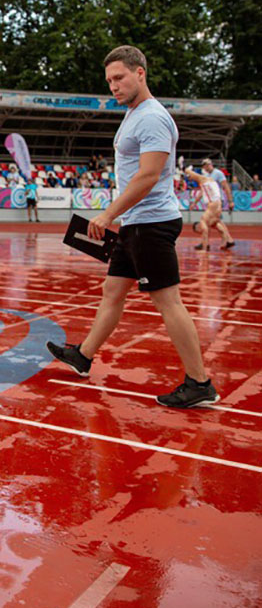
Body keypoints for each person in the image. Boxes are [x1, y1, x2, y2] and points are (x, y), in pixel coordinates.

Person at [46, 45, 219, 409]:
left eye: (120, 77)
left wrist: (107, 215)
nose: (114, 86)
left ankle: (199, 381)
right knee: (113, 291)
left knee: (168, 301)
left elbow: (149, 175)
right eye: (109, 80)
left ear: (141, 72)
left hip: (150, 224)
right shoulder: (134, 114)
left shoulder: (152, 117)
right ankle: (84, 355)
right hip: (136, 223)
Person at [184, 165, 231, 252]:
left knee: (204, 222)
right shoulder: (207, 182)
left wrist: (187, 169)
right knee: (214, 224)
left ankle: (204, 247)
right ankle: (227, 240)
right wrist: (194, 203)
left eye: (189, 178)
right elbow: (201, 194)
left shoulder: (203, 179)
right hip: (218, 205)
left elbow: (188, 170)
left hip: (213, 205)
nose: (190, 179)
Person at [200, 158, 235, 249]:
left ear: (210, 164)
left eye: (207, 165)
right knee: (215, 221)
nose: (206, 167)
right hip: (212, 202)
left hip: (218, 201)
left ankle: (227, 240)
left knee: (212, 221)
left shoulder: (218, 173)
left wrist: (230, 201)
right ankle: (228, 240)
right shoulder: (207, 175)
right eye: (204, 165)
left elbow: (225, 186)